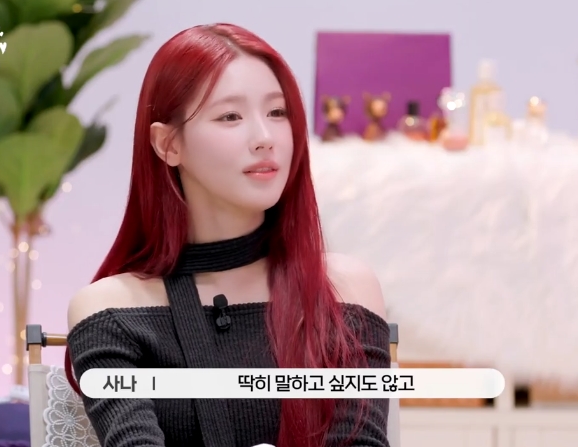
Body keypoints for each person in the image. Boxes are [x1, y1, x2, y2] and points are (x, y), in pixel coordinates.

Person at [65, 23, 391, 447]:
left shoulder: (344, 288)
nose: (265, 138)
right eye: (230, 116)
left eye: (278, 113)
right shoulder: (110, 309)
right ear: (168, 144)